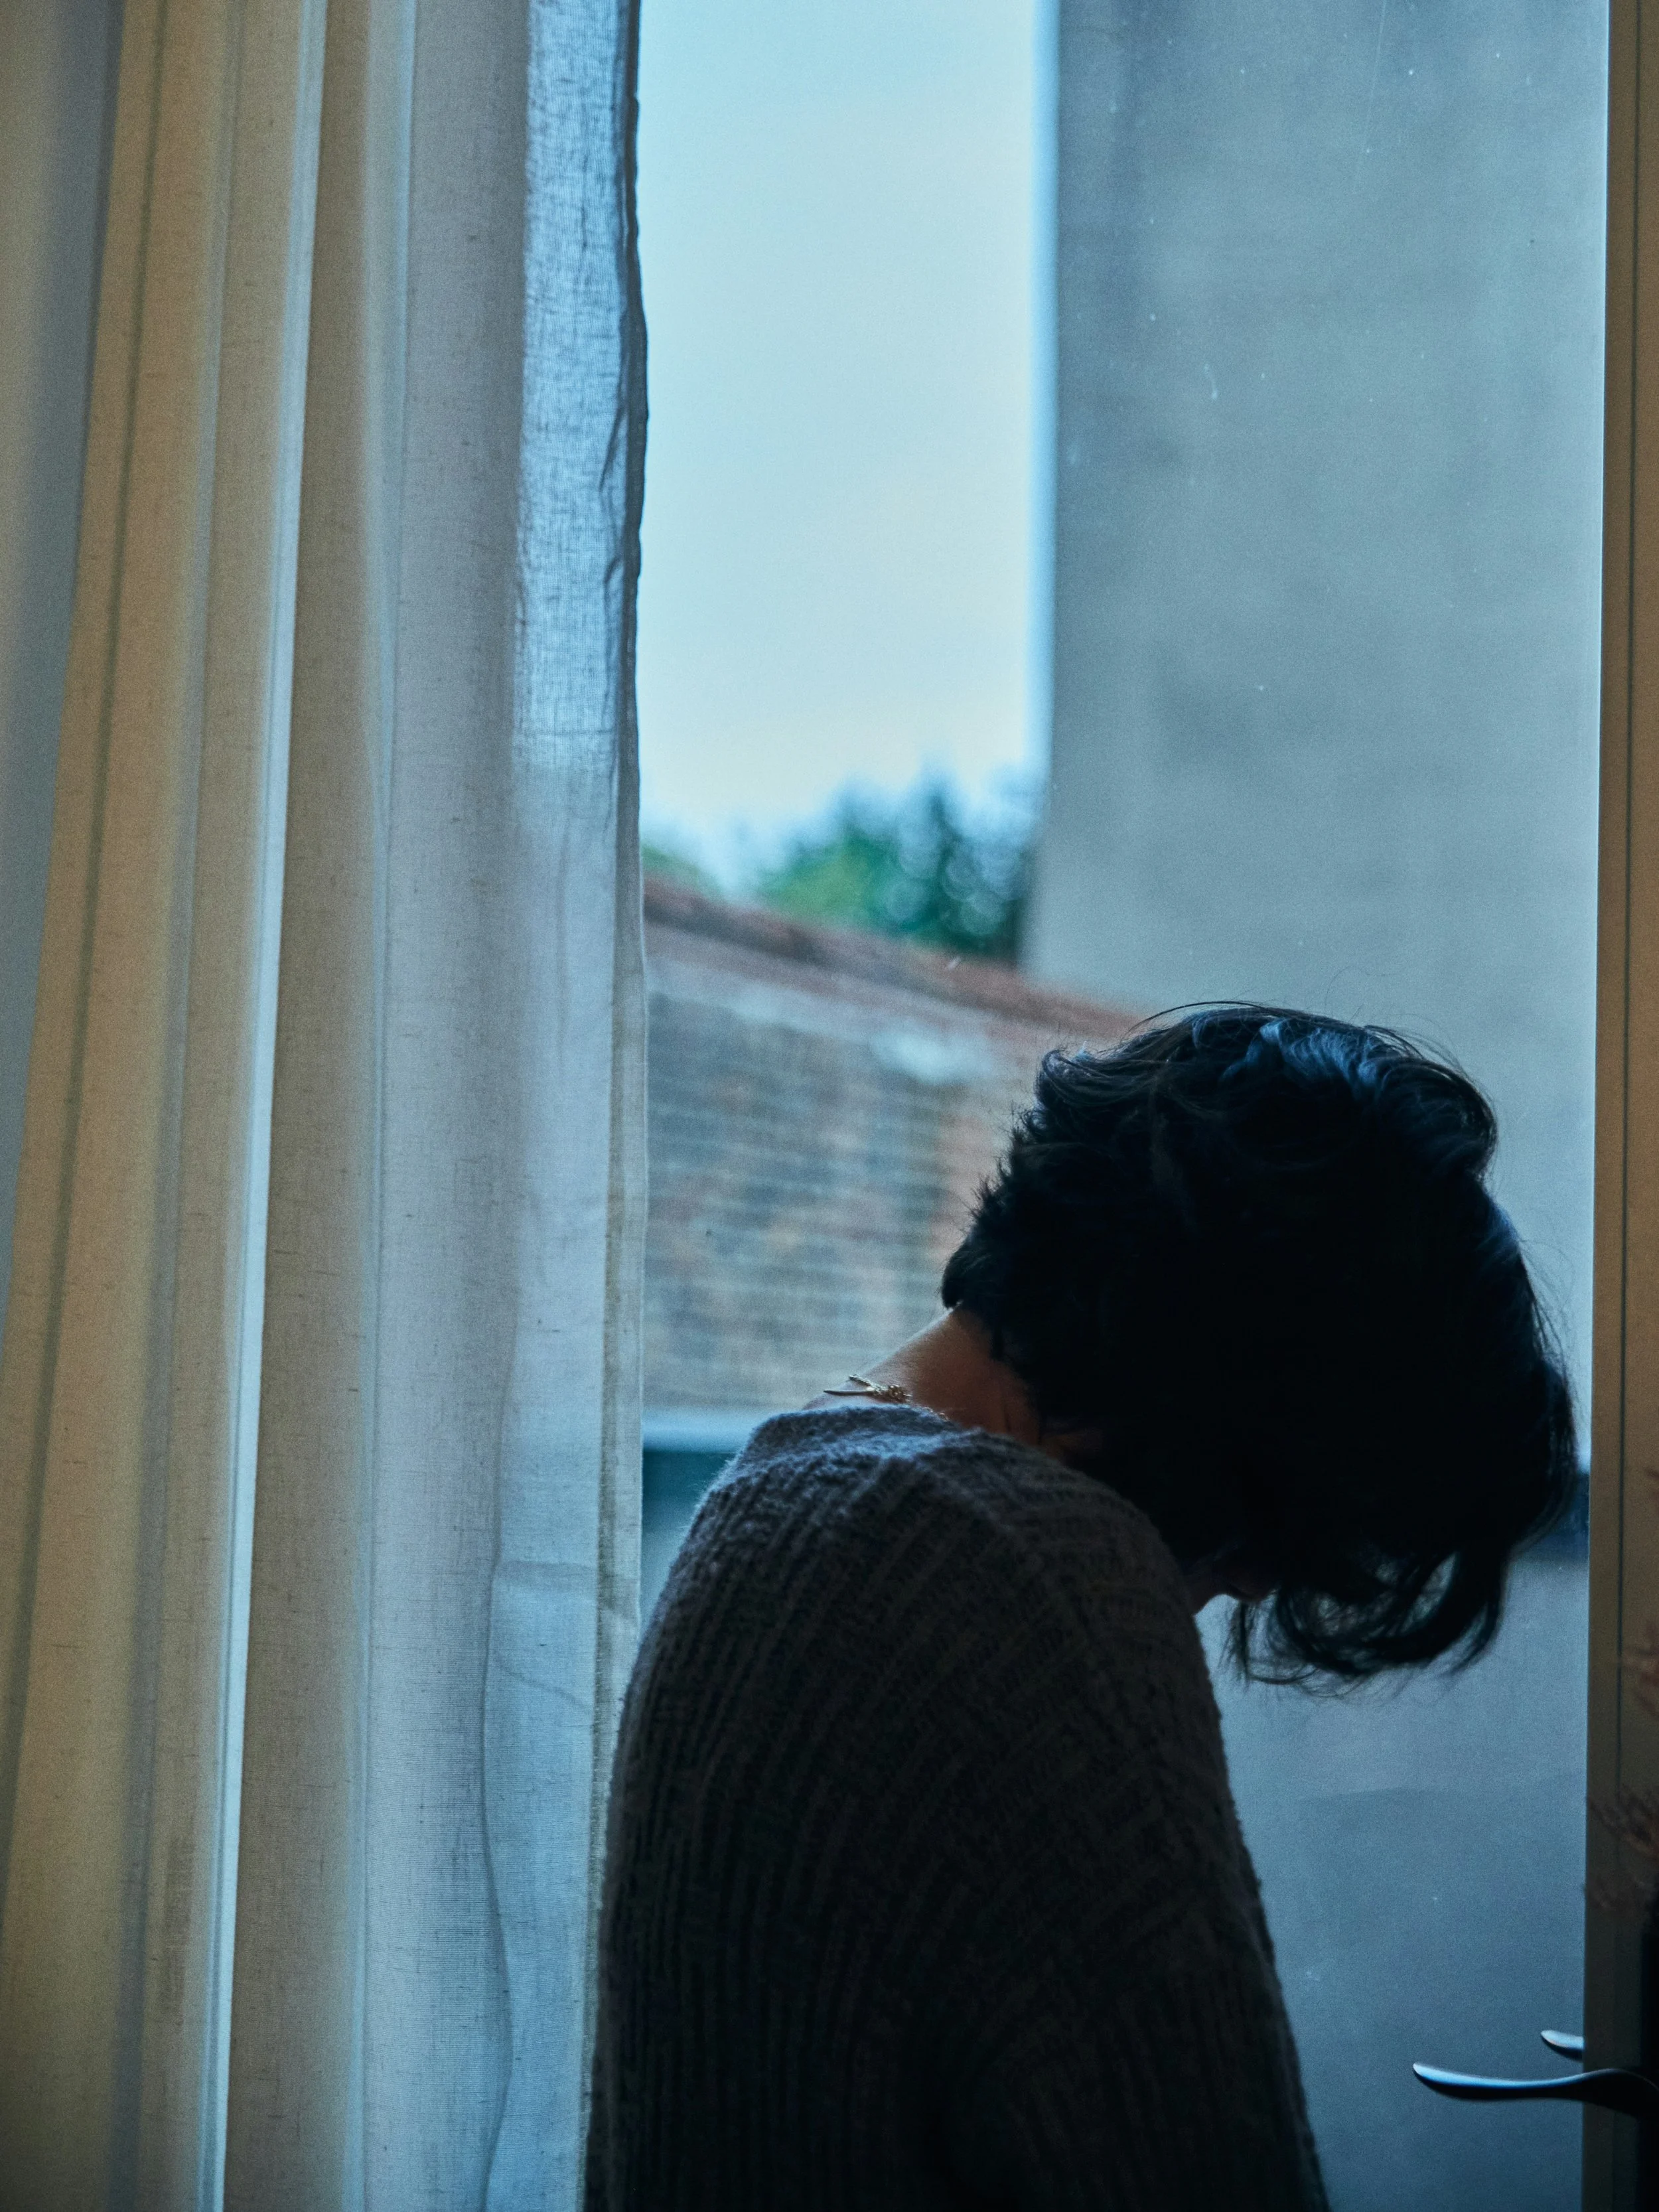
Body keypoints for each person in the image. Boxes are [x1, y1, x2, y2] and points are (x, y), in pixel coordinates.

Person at [585, 1007, 1577, 2210]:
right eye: (1304, 1524)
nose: (1255, 1583)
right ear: (1261, 1398)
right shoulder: (1029, 1574)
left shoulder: (779, 1487)